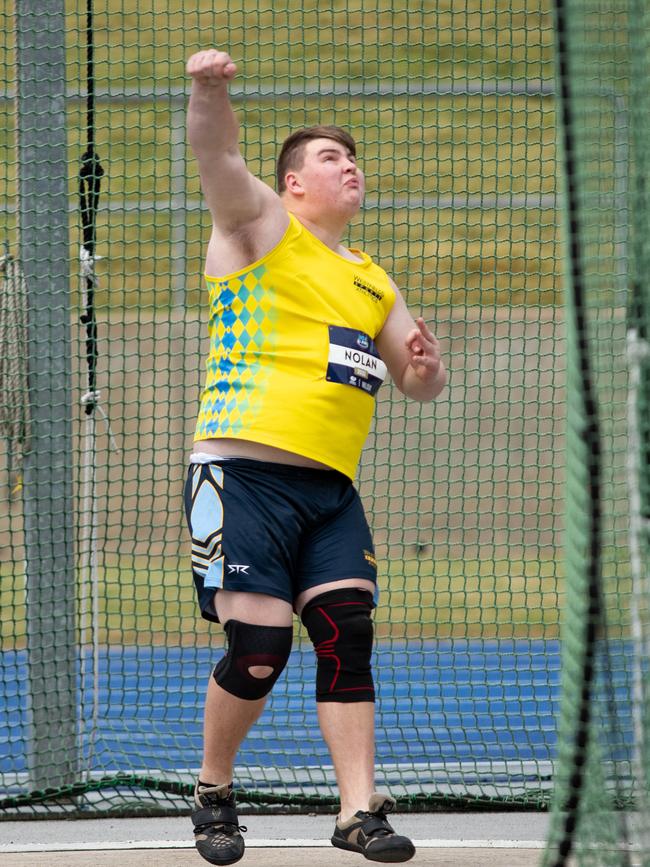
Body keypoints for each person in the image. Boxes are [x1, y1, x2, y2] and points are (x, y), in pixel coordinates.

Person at [184, 47, 447, 867]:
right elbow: (217, 154)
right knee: (259, 654)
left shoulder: (373, 281)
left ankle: (357, 811)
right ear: (293, 182)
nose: (350, 167)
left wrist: (426, 369)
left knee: (347, 632)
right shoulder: (259, 227)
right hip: (242, 475)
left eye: (354, 157)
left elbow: (415, 380)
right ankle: (214, 790)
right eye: (332, 158)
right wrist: (207, 89)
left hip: (329, 490)